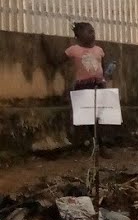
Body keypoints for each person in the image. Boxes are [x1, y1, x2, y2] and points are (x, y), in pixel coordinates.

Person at [47, 22, 114, 156]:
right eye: (89, 31)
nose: (92, 34)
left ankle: (97, 144)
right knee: (88, 118)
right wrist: (45, 47)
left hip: (98, 86)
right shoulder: (73, 50)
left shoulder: (99, 50)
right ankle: (97, 145)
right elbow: (56, 61)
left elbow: (102, 69)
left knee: (100, 118)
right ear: (78, 36)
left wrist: (106, 78)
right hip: (83, 86)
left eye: (93, 31)